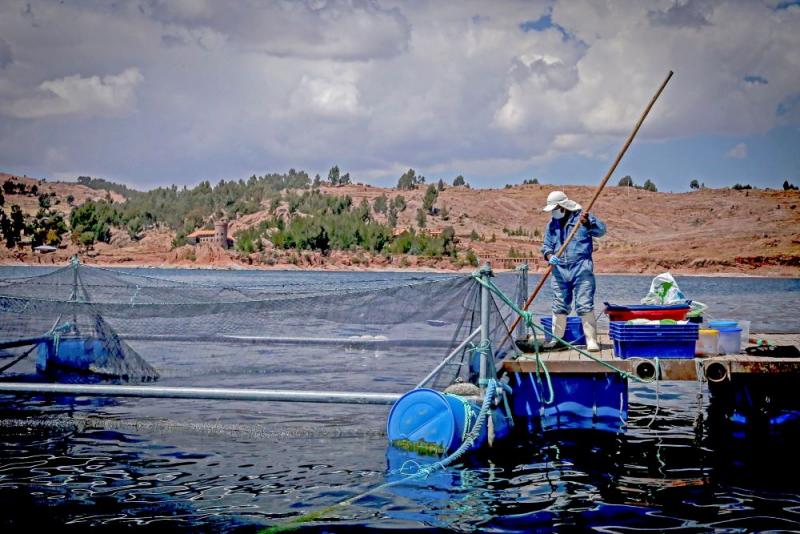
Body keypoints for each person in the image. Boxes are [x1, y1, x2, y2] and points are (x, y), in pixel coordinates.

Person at [540, 191, 606, 352]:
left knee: (584, 304)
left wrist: (589, 222)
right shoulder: (552, 225)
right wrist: (550, 256)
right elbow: (546, 246)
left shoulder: (582, 219)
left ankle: (591, 341)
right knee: (559, 304)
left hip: (581, 268)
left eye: (556, 208)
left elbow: (601, 230)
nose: (554, 212)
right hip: (559, 270)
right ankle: (557, 340)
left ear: (563, 207)